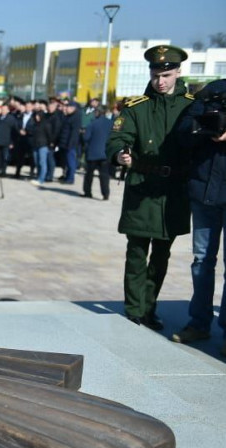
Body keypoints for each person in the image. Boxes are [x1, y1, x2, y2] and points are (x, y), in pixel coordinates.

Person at [107, 45, 194, 330]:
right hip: (142, 188)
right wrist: (121, 153)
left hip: (173, 192)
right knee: (136, 252)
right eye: (156, 74)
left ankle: (149, 307)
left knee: (161, 255)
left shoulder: (192, 105)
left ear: (178, 72)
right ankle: (134, 309)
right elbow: (118, 137)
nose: (160, 80)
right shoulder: (136, 107)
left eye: (166, 74)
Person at [169, 78, 226, 349]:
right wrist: (205, 129)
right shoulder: (211, 92)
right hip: (205, 191)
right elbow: (182, 131)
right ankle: (199, 323)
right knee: (202, 261)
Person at [82, 105, 113, 199]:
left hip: (92, 153)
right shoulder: (111, 123)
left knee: (89, 175)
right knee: (104, 175)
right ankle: (105, 194)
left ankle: (87, 192)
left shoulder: (92, 123)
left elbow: (86, 138)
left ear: (98, 112)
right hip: (105, 153)